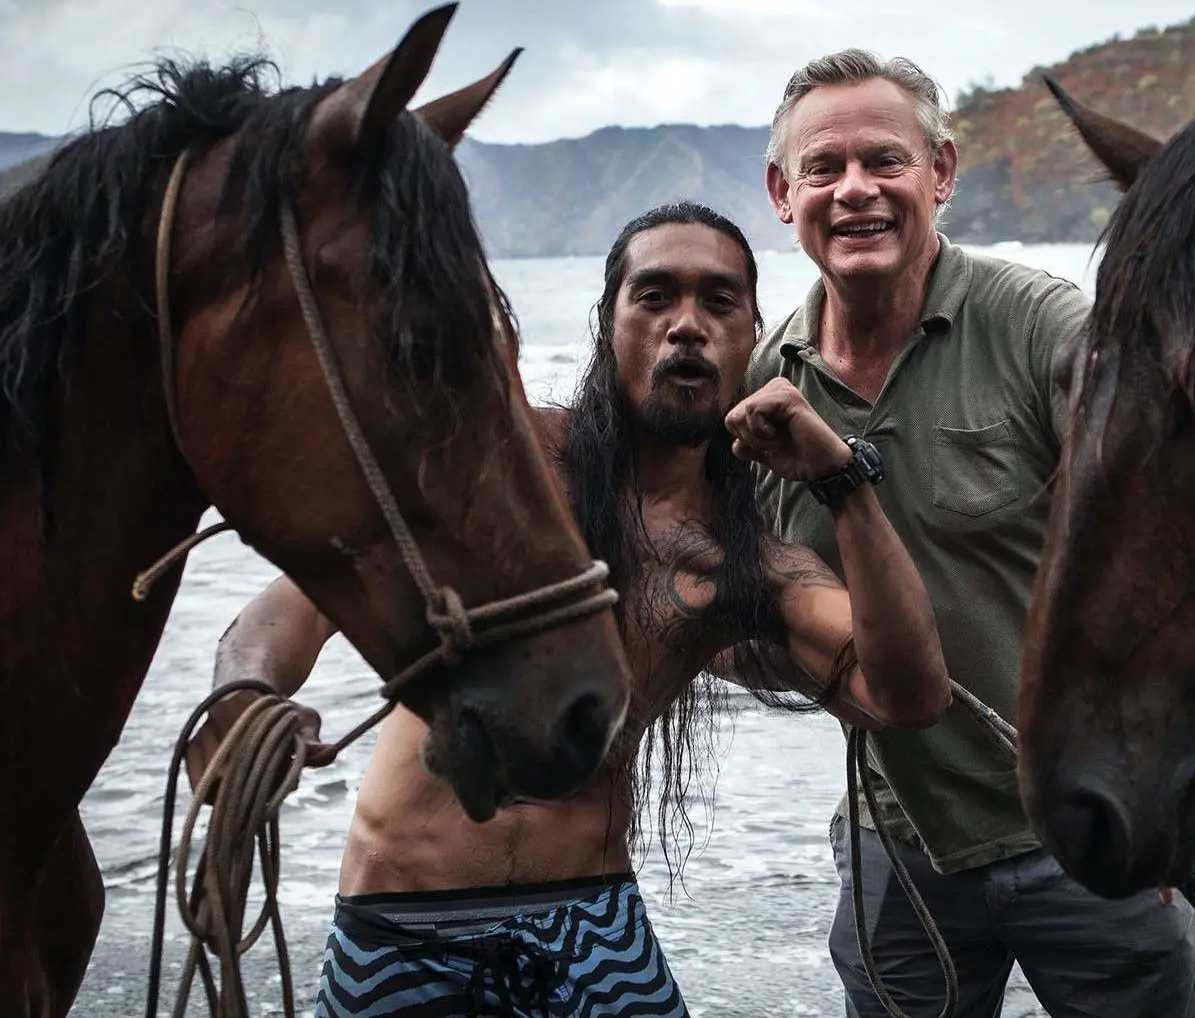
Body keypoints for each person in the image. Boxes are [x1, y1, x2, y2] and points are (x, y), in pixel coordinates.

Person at [185, 201, 951, 1016]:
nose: (686, 325)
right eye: (654, 296)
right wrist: (246, 693)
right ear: (608, 323)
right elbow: (299, 605)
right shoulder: (495, 470)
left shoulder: (744, 562)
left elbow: (908, 696)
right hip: (400, 923)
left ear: (751, 337)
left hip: (591, 922)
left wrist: (844, 485)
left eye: (719, 301)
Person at [749, 50, 1195, 1016]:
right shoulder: (766, 381)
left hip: (1087, 831)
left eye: (885, 160)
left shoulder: (1042, 327)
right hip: (896, 845)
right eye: (823, 168)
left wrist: (1168, 788)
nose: (855, 190)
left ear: (942, 173)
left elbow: (1180, 539)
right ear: (783, 196)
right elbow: (744, 598)